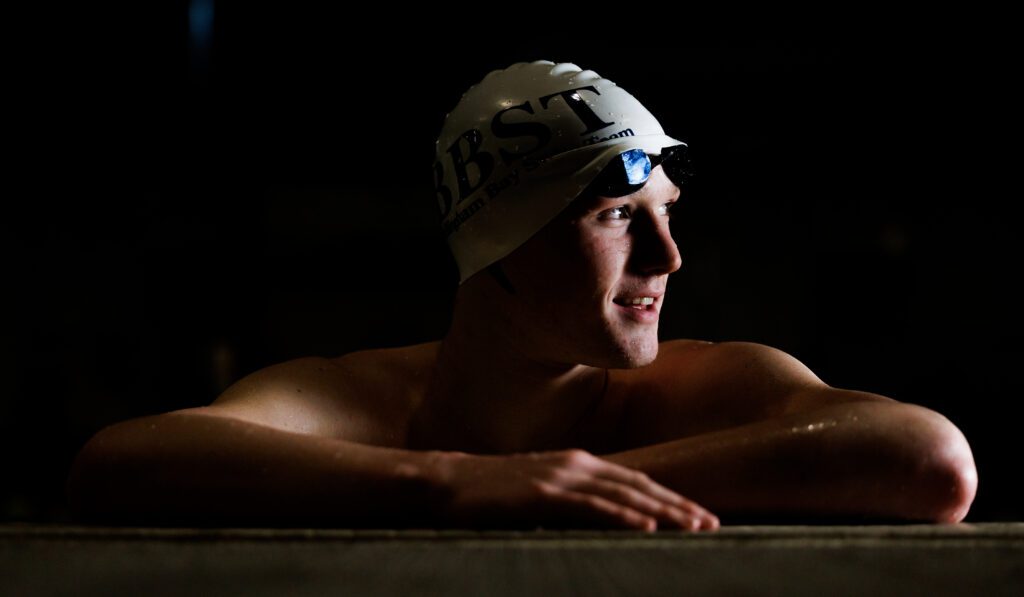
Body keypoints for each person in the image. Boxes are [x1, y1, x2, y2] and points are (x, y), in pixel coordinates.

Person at [66, 60, 977, 532]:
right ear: (498, 244)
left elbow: (932, 460)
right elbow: (113, 465)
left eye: (666, 212)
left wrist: (566, 490)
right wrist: (455, 483)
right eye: (620, 215)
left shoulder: (699, 394)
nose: (669, 255)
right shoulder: (359, 403)